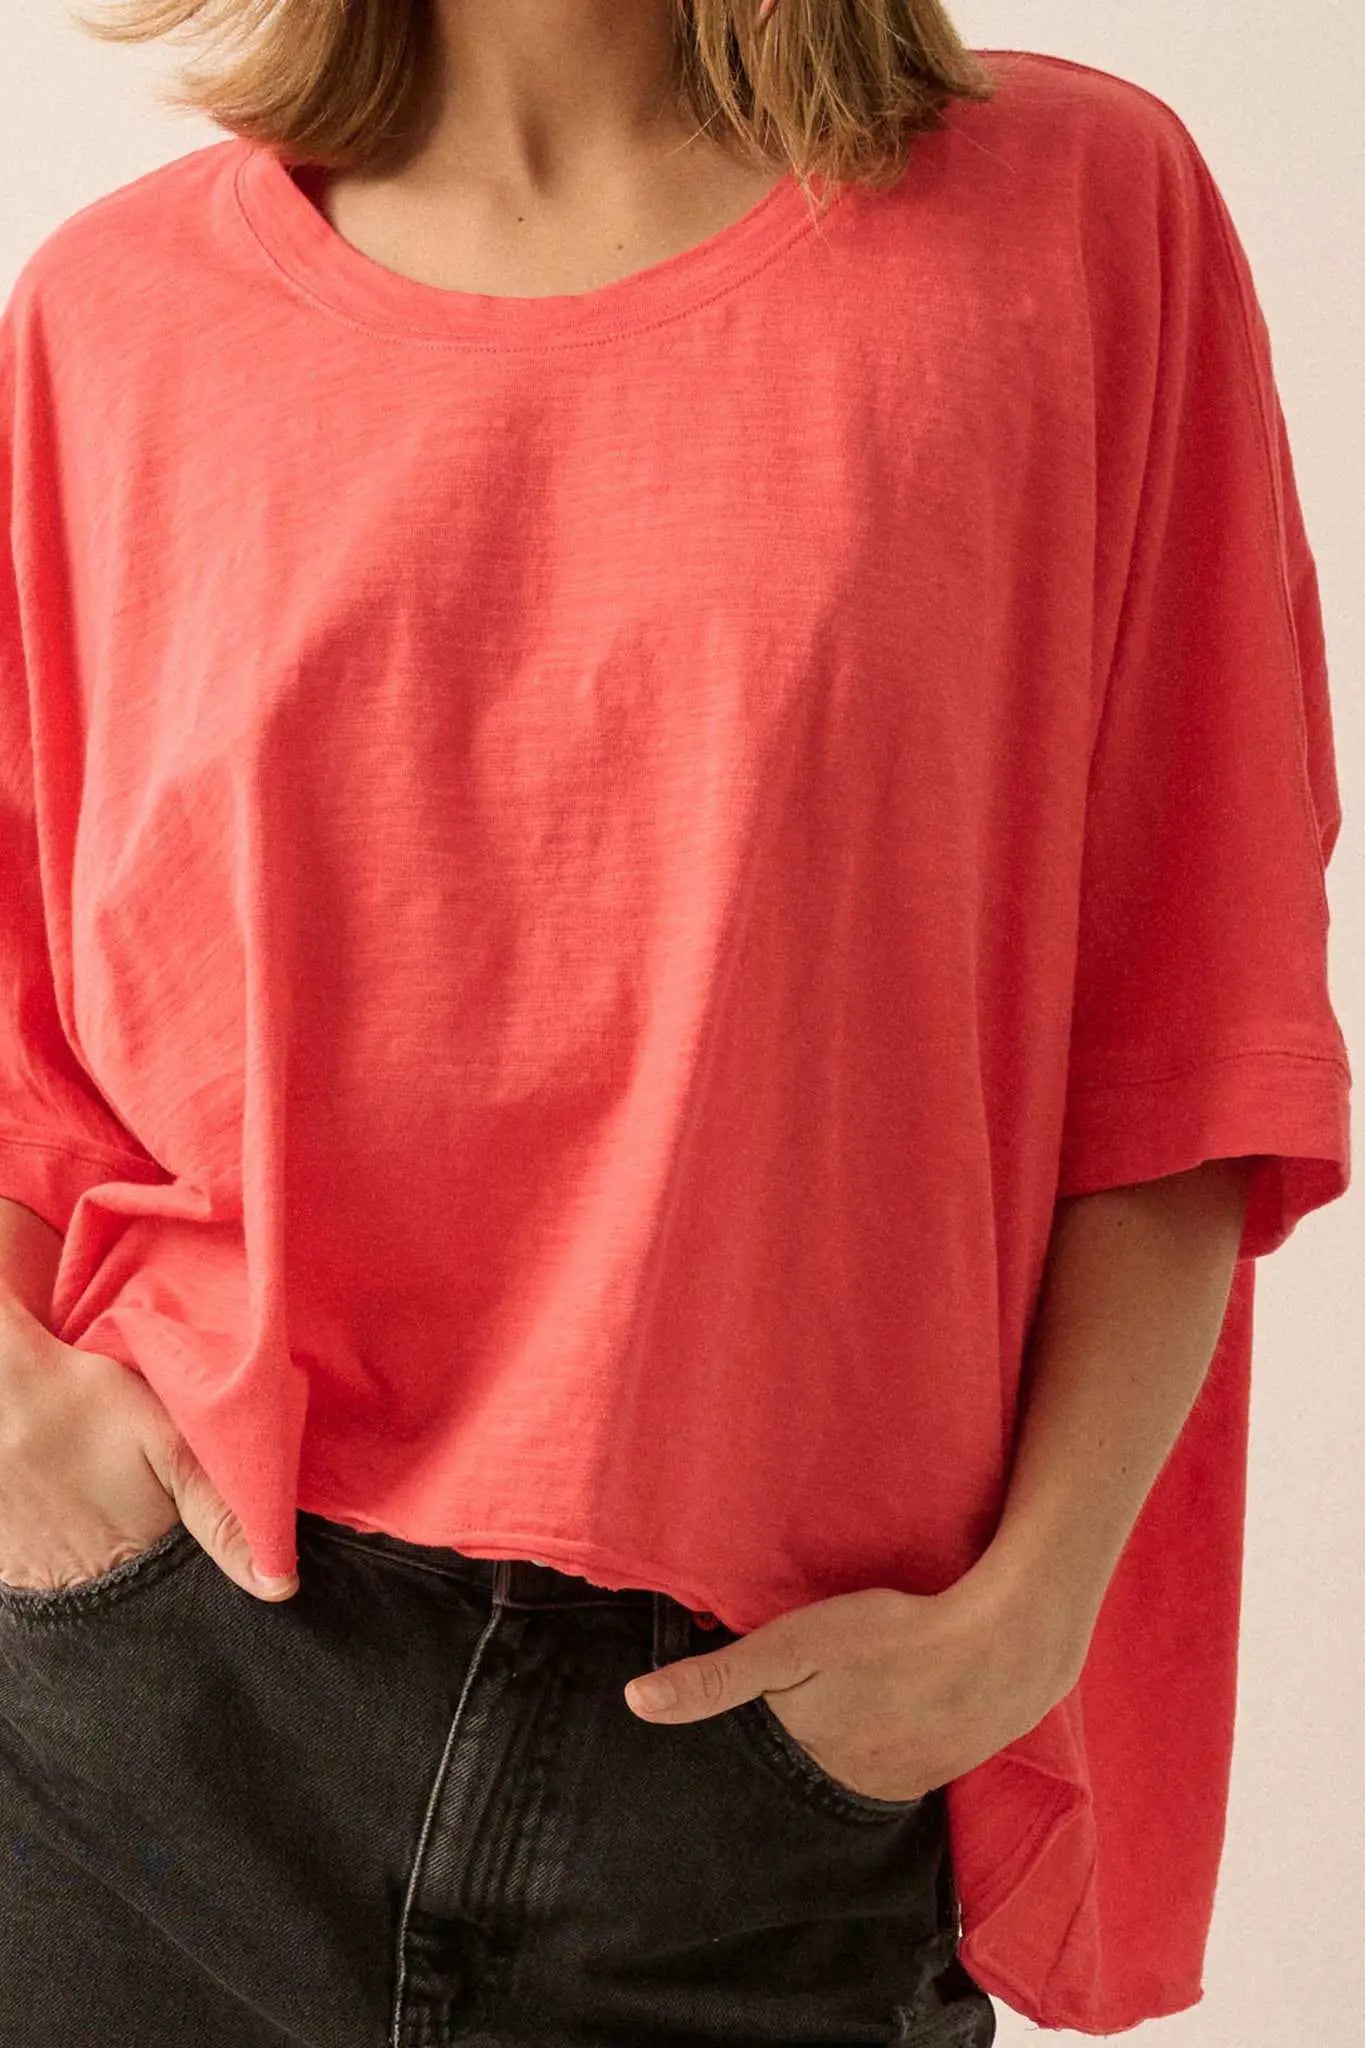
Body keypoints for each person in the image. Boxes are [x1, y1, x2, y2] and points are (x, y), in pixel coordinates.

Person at [0, 3, 1351, 2043]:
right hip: (158, 1726)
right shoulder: (112, 318)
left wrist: (1022, 1616)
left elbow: (1189, 1000)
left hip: (758, 1760)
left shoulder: (1070, 219)